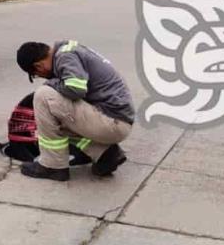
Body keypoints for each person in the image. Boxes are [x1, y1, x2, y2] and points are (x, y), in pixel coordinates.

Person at [15, 40, 134, 182]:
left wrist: (50, 83)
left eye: (35, 74)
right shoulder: (67, 51)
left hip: (113, 123)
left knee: (43, 96)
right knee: (55, 115)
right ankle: (105, 154)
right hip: (115, 120)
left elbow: (75, 89)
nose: (40, 76)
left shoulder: (65, 57)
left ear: (38, 66)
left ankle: (53, 166)